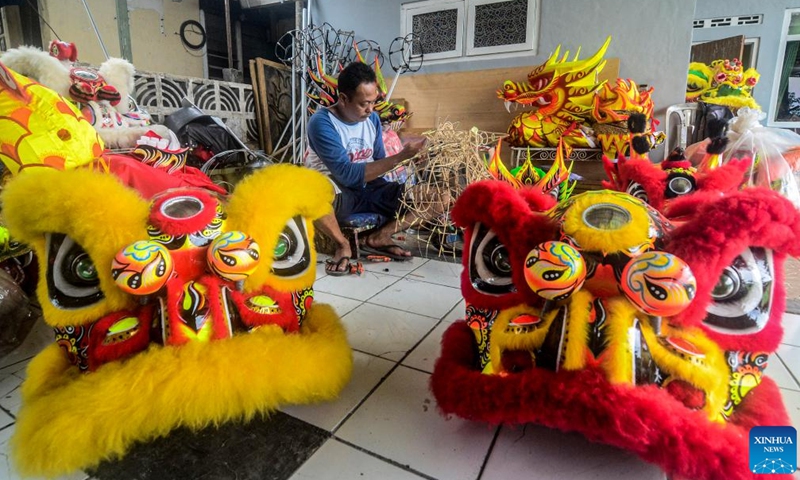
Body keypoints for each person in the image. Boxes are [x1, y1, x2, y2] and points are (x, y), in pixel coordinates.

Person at [305, 62, 429, 275]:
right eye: (364, 103)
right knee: (310, 196)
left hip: (371, 187)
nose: (371, 109)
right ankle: (342, 244)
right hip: (338, 193)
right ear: (343, 99)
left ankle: (380, 236)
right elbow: (347, 175)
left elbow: (379, 162)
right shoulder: (322, 123)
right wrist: (400, 157)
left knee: (440, 197)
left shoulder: (372, 119)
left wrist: (411, 161)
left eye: (373, 102)